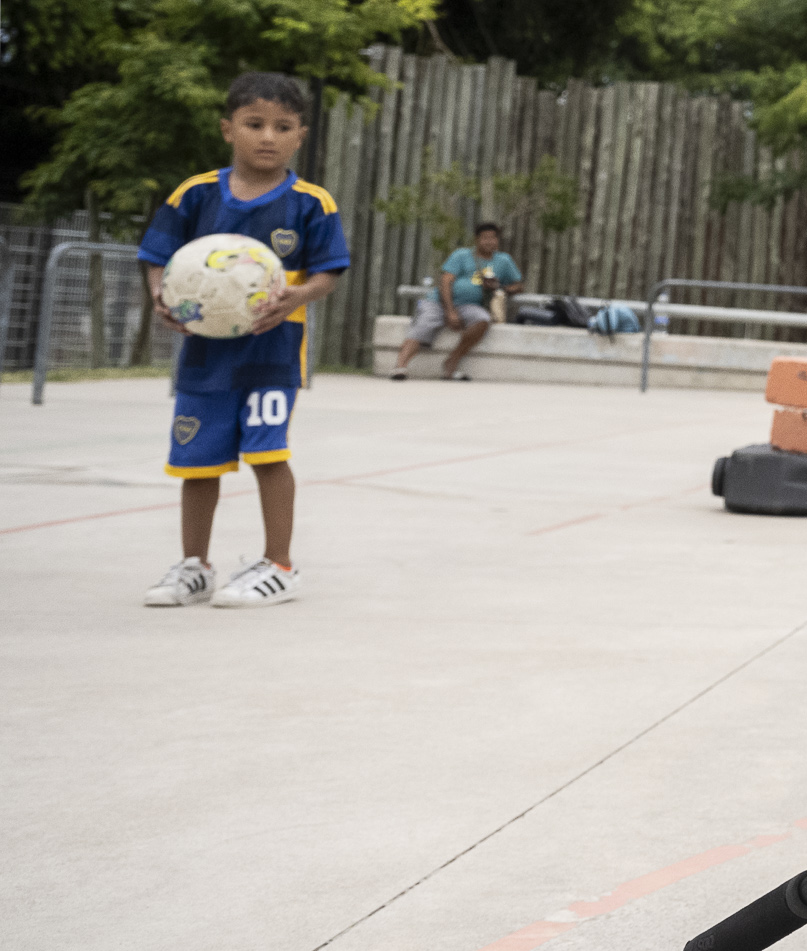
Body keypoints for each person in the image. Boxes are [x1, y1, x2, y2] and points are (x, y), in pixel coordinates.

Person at [137, 73, 350, 609]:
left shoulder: (311, 202)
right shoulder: (196, 193)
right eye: (255, 124)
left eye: (283, 127)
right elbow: (158, 257)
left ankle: (279, 564)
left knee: (268, 452)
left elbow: (329, 272)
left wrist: (295, 297)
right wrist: (162, 297)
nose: (268, 137)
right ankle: (194, 566)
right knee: (197, 461)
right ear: (228, 128)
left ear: (301, 135)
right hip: (205, 354)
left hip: (271, 353)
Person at [392, 221, 521, 381]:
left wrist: (500, 287)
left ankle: (452, 362)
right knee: (423, 324)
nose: (489, 241)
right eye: (485, 238)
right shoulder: (461, 255)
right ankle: (400, 366)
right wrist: (450, 310)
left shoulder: (503, 260)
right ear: (477, 239)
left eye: (493, 238)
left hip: (470, 306)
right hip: (439, 302)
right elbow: (445, 281)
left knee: (483, 320)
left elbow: (518, 284)